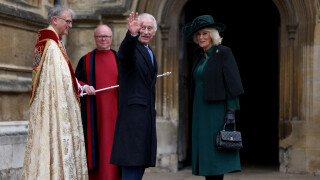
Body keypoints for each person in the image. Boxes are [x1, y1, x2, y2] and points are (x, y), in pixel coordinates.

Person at [21, 6, 90, 179]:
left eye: (71, 22)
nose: (70, 26)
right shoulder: (51, 46)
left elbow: (65, 77)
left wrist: (81, 88)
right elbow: (55, 84)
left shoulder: (56, 43)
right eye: (68, 21)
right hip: (55, 110)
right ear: (55, 20)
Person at [182, 15, 244, 180]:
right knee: (205, 154)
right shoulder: (198, 55)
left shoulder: (223, 52)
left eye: (205, 33)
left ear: (212, 35)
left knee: (216, 154)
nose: (201, 37)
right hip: (200, 110)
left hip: (217, 111)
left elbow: (232, 83)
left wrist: (231, 110)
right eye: (198, 35)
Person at [110, 12, 158, 180]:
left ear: (154, 32)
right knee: (131, 167)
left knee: (138, 168)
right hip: (132, 120)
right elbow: (123, 54)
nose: (145, 32)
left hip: (145, 119)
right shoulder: (132, 49)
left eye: (149, 28)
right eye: (142, 28)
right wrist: (131, 35)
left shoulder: (148, 50)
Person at [75, 25, 120, 180]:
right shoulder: (86, 60)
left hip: (116, 114)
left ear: (111, 38)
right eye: (100, 36)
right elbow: (75, 82)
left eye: (106, 36)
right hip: (93, 114)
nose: (103, 39)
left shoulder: (120, 59)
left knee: (113, 147)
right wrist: (85, 86)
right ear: (95, 38)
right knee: (98, 148)